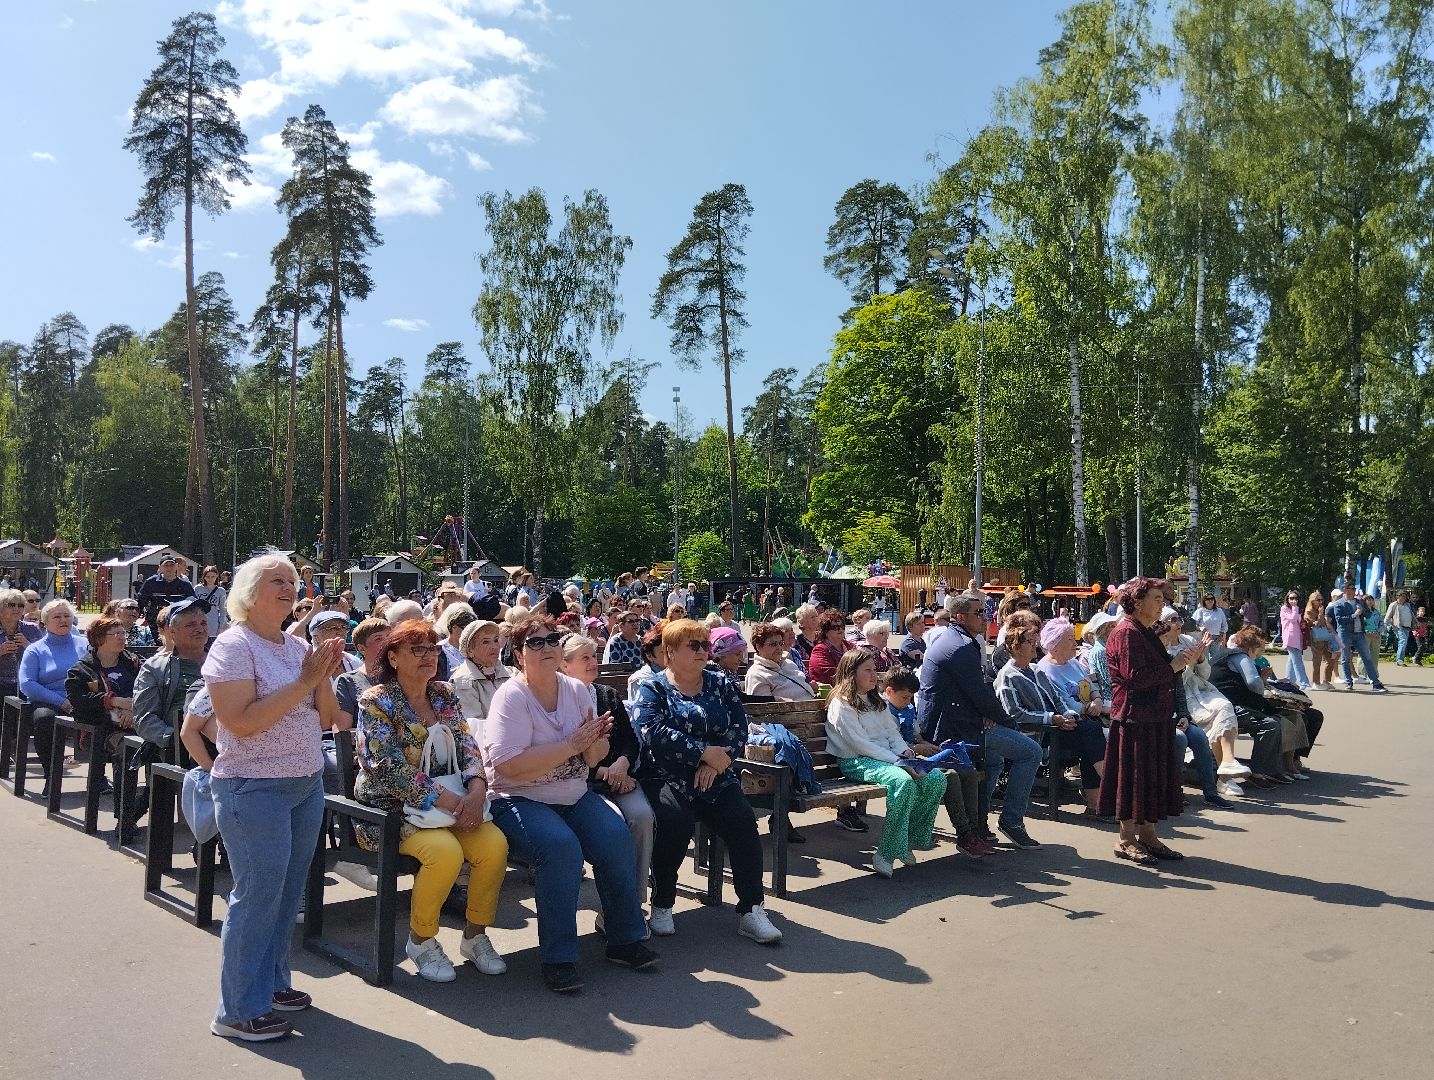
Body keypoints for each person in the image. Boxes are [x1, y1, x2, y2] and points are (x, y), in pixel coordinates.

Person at [203, 553, 343, 1042]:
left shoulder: (296, 646)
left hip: (305, 783)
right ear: (248, 592)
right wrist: (305, 680)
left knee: (285, 895)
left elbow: (327, 718)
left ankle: (272, 983)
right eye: (276, 581)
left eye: (292, 580)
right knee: (257, 897)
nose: (289, 587)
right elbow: (239, 722)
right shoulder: (232, 645)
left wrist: (323, 675)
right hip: (253, 787)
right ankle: (237, 1011)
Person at [480, 615, 658, 993]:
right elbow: (508, 765)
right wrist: (571, 745)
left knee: (615, 835)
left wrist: (595, 743)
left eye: (552, 640)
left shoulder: (576, 691)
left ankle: (624, 939)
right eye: (535, 643)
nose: (546, 647)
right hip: (518, 797)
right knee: (561, 849)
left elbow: (593, 757)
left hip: (574, 794)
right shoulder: (512, 697)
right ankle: (558, 957)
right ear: (518, 654)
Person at [354, 619, 509, 981]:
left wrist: (477, 790)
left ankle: (475, 936)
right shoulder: (376, 701)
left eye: (433, 649)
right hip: (391, 810)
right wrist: (451, 801)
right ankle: (421, 940)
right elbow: (386, 767)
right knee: (445, 853)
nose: (429, 656)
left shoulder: (443, 694)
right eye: (417, 650)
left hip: (451, 804)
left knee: (494, 846)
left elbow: (467, 744)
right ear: (393, 658)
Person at [631, 618, 783, 944]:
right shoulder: (653, 687)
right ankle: (663, 902)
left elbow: (739, 727)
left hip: (715, 775)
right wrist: (703, 753)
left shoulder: (719, 683)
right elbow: (652, 732)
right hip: (666, 775)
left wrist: (715, 763)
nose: (703, 651)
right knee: (675, 821)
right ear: (670, 652)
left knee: (742, 821)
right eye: (694, 645)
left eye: (705, 645)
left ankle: (752, 909)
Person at [922, 593, 1042, 848]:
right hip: (952, 730)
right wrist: (1007, 721)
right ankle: (1011, 821)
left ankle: (980, 824)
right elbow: (978, 693)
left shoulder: (960, 640)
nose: (985, 617)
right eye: (978, 612)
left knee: (995, 760)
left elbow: (978, 687)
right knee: (1032, 752)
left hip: (962, 721)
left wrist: (988, 715)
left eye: (985, 611)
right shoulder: (959, 646)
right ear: (960, 617)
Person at [824, 648, 947, 878]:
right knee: (903, 781)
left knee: (935, 778)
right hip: (856, 761)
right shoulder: (841, 704)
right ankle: (886, 853)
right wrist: (899, 762)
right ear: (851, 673)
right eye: (867, 670)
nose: (874, 675)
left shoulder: (876, 701)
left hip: (888, 759)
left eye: (875, 669)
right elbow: (860, 744)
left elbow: (892, 734)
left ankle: (906, 841)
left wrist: (906, 753)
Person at [560, 635, 655, 920]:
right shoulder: (559, 701)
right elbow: (563, 754)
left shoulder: (607, 695)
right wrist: (603, 772)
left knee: (642, 817)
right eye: (585, 658)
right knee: (615, 824)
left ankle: (633, 901)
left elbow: (629, 740)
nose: (593, 662)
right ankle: (614, 907)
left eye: (594, 656)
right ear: (564, 665)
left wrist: (622, 764)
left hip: (620, 777)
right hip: (585, 783)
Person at [1098, 577, 1185, 866]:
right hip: (1134, 718)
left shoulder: (1144, 631)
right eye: (1156, 599)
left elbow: (1159, 669)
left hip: (1155, 716)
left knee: (1151, 779)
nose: (1162, 604)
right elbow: (1134, 677)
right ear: (1137, 602)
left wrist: (1181, 663)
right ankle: (1126, 840)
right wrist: (1173, 667)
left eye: (1163, 599)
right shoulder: (1126, 632)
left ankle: (1148, 835)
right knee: (1133, 780)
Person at [1157, 614, 1248, 800]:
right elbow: (1173, 683)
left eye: (1179, 619)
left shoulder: (1188, 640)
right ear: (1162, 624)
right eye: (1172, 620)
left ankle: (1227, 764)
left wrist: (1200, 659)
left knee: (1224, 706)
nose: (1178, 623)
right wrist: (1189, 663)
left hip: (1200, 689)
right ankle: (1224, 779)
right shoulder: (1160, 647)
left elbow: (1205, 675)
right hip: (1183, 695)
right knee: (1211, 720)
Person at [63, 616, 142, 822]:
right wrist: (112, 701)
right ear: (99, 639)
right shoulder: (82, 669)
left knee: (165, 749)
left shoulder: (133, 663)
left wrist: (131, 709)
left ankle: (144, 808)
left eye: (123, 633)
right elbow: (78, 700)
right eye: (115, 634)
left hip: (135, 723)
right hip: (100, 730)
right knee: (127, 751)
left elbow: (145, 690)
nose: (121, 637)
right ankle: (125, 819)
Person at [1033, 617, 1110, 817]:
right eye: (1069, 639)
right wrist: (1088, 708)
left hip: (1086, 723)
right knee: (1091, 734)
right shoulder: (1045, 670)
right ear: (1055, 644)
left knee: (1092, 736)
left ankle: (1098, 802)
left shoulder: (1074, 664)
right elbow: (1063, 704)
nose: (1075, 643)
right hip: (1060, 727)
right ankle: (1106, 792)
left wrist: (1097, 700)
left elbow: (1092, 687)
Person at [16, 599, 82, 797]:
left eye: (67, 616)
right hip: (48, 701)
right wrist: (61, 702)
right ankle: (51, 775)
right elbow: (27, 684)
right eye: (57, 617)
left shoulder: (85, 644)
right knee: (44, 719)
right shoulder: (35, 649)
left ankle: (99, 776)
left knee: (104, 717)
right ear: (44, 623)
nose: (63, 620)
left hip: (82, 699)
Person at [134, 597, 212, 753]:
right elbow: (145, 719)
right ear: (172, 632)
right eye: (191, 625)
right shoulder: (155, 668)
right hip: (179, 750)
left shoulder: (224, 663)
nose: (199, 629)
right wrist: (175, 739)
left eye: (203, 623)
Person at [1325, 582, 1387, 693]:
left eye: (1353, 589)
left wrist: (1363, 610)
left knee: (1367, 658)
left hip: (1359, 633)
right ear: (1344, 590)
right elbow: (1340, 620)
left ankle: (1376, 683)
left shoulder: (1360, 601)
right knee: (1345, 658)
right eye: (1348, 589)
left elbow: (1368, 615)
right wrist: (1355, 614)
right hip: (1345, 633)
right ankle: (1349, 683)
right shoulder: (1339, 604)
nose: (1351, 591)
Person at [451, 620, 511, 724]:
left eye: (496, 640)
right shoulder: (463, 681)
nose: (494, 646)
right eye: (485, 642)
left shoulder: (511, 673)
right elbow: (475, 725)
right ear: (470, 650)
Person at [745, 621, 814, 700]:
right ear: (758, 647)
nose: (779, 648)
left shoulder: (789, 664)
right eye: (773, 644)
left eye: (781, 643)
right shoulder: (757, 674)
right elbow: (764, 706)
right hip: (793, 708)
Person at [0, 587, 43, 704]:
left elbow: (44, 656)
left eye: (20, 606)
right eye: (11, 605)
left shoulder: (31, 629)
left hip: (26, 684)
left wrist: (28, 645)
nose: (16, 609)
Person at [137, 554, 195, 629]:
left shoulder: (185, 585)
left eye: (172, 565)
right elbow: (140, 602)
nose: (169, 568)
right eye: (166, 565)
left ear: (176, 566)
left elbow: (193, 605)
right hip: (155, 625)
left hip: (178, 625)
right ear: (160, 567)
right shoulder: (150, 582)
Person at [806, 610, 850, 685]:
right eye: (835, 627)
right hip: (830, 689)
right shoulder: (819, 650)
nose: (840, 629)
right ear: (825, 631)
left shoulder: (850, 646)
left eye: (842, 626)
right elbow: (829, 676)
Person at [1305, 591, 1339, 689]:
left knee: (1331, 659)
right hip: (1316, 638)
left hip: (1325, 638)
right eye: (1318, 600)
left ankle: (1326, 681)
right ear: (1312, 601)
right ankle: (1316, 682)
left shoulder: (1320, 610)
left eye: (1321, 600)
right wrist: (1320, 614)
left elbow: (1324, 623)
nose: (1320, 602)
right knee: (1317, 660)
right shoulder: (1309, 611)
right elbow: (1316, 624)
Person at [1279, 589, 1312, 688]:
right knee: (1297, 661)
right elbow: (1292, 619)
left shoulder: (1297, 609)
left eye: (1296, 598)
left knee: (1292, 659)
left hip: (1297, 637)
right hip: (1290, 637)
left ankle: (1289, 680)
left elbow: (1299, 622)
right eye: (1291, 598)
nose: (1294, 600)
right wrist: (1294, 607)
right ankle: (1304, 683)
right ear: (1287, 599)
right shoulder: (1284, 608)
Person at [434, 602, 476, 674]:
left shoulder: (474, 648)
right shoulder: (439, 649)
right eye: (466, 629)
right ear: (454, 627)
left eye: (472, 631)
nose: (469, 633)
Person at [194, 565, 230, 645]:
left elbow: (222, 610)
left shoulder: (221, 591)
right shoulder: (198, 588)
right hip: (199, 621)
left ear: (217, 576)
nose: (210, 579)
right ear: (204, 577)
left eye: (213, 576)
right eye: (208, 576)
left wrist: (220, 627)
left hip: (213, 624)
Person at [1385, 590, 1415, 666]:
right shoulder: (1393, 605)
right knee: (1403, 642)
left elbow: (1412, 614)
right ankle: (1399, 660)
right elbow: (1388, 616)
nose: (1402, 598)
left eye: (1404, 597)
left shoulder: (1407, 605)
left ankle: (1400, 659)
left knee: (1403, 642)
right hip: (1398, 626)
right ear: (1397, 597)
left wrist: (1416, 622)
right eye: (1400, 596)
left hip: (1407, 627)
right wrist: (1384, 626)